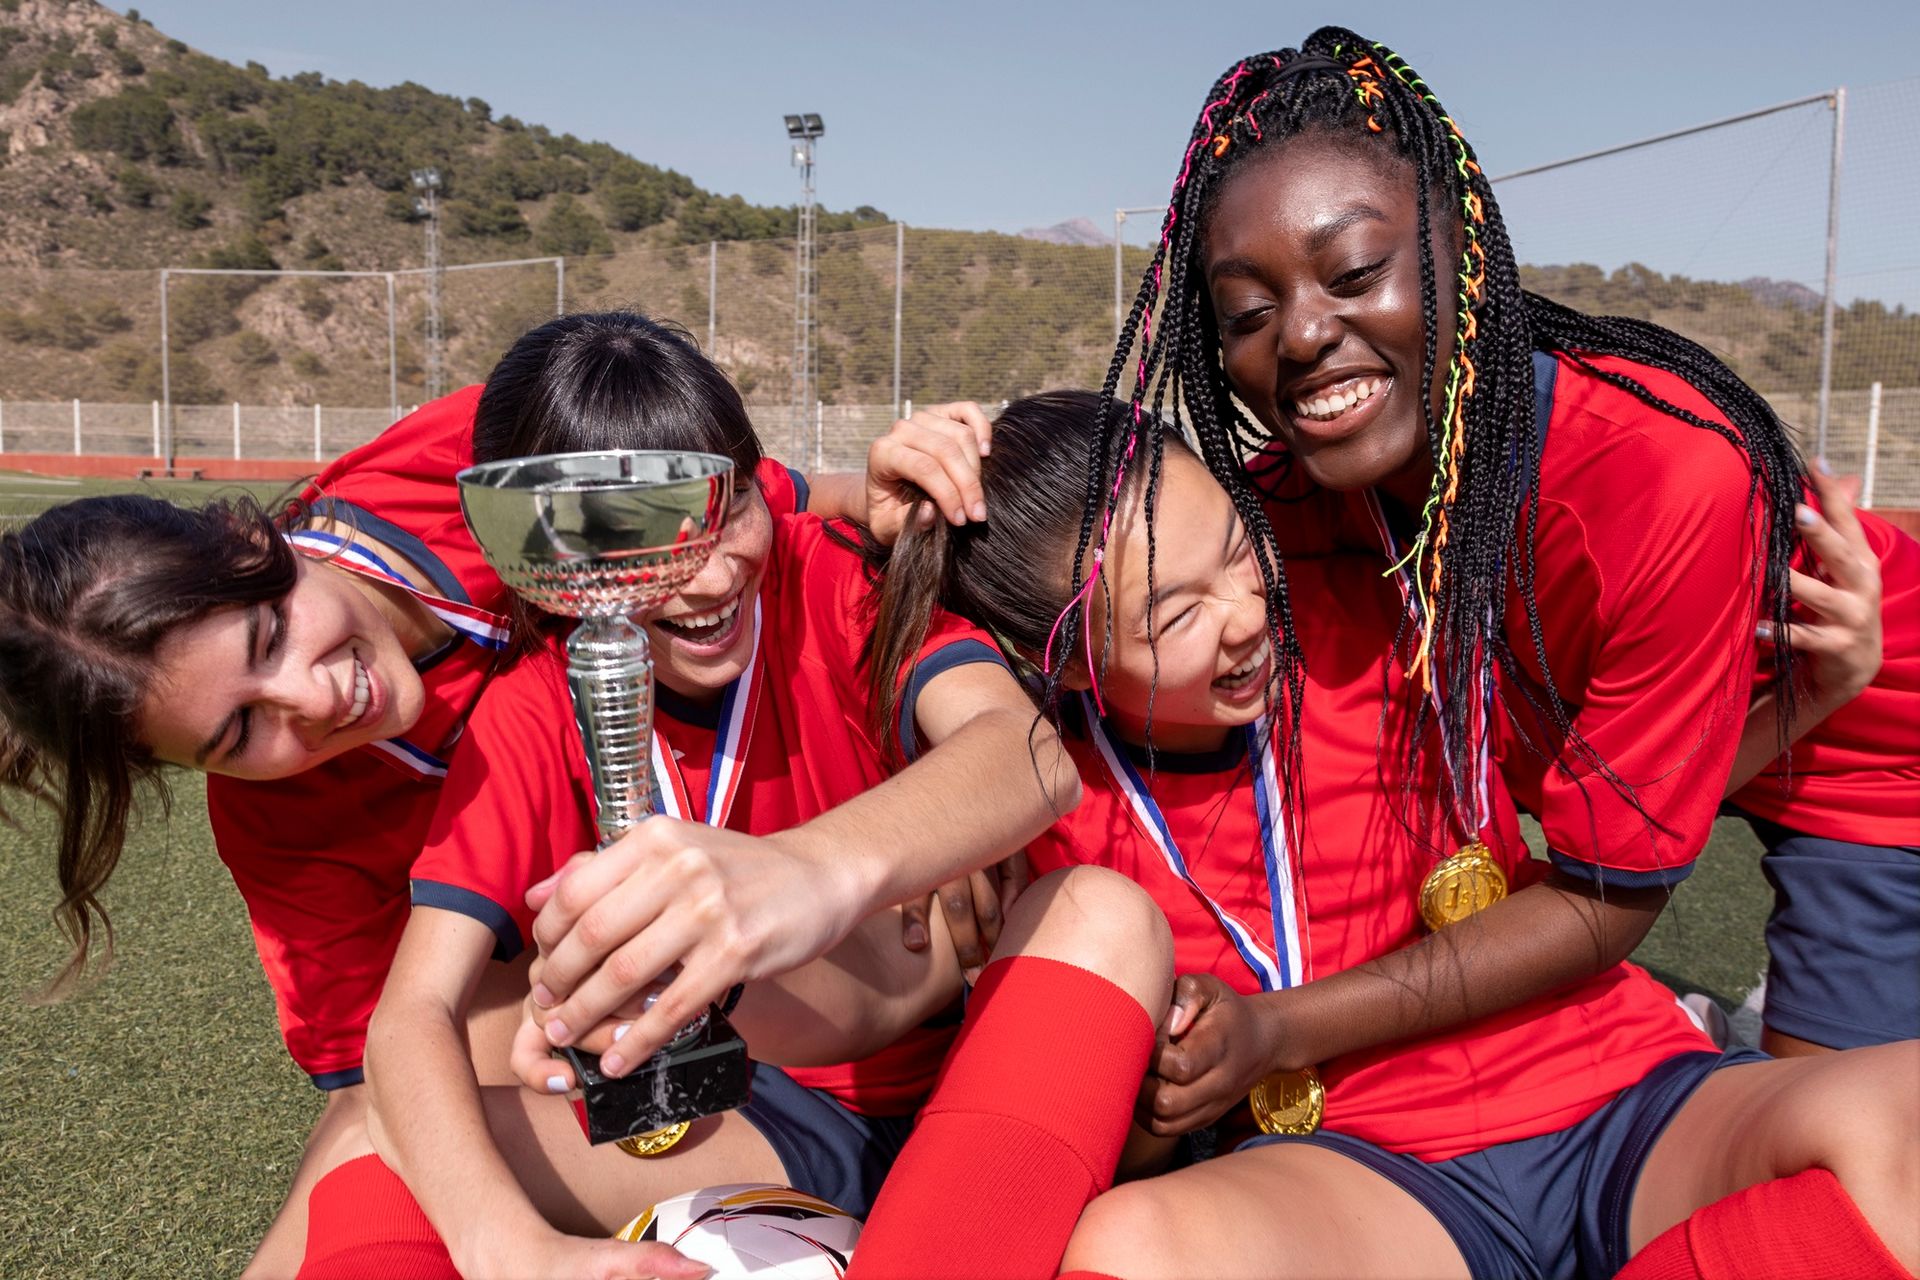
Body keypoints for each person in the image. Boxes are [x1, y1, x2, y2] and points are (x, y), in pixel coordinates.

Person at [0, 314, 1001, 1275]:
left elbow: (719, 495)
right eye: (239, 731)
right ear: (192, 768)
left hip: (839, 951)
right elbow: (389, 1060)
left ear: (249, 539)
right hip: (601, 984)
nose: (313, 697)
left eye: (270, 636)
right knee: (387, 1123)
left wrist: (870, 500)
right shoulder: (299, 819)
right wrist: (500, 1237)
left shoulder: (474, 455)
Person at [842, 390, 1917, 1280]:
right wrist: (1172, 1096)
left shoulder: (1392, 617)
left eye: (1237, 549)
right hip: (1367, 1175)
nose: (1244, 609)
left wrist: (1811, 701)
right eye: (1174, 613)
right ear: (1072, 659)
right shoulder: (1048, 809)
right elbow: (1116, 1155)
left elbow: (1617, 834)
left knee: (1901, 1121)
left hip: (1618, 1096)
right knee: (1133, 1244)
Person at [1088, 28, 1919, 1064]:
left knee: (1835, 1158)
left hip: (1859, 741)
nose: (1300, 334)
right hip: (1672, 755)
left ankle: (1742, 1032)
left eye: (1352, 270)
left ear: (1462, 252)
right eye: (1249, 311)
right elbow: (1083, 597)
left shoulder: (1658, 474)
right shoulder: (1293, 499)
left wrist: (1275, 1031)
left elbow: (1600, 894)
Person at [289, 312, 1077, 1278]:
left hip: (925, 1089)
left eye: (731, 503)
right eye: (640, 531)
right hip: (748, 1118)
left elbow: (1029, 755)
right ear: (553, 552)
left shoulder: (826, 580)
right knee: (385, 1134)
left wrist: (806, 870)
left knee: (1072, 908)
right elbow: (411, 1012)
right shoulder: (537, 702)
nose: (710, 570)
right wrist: (513, 1248)